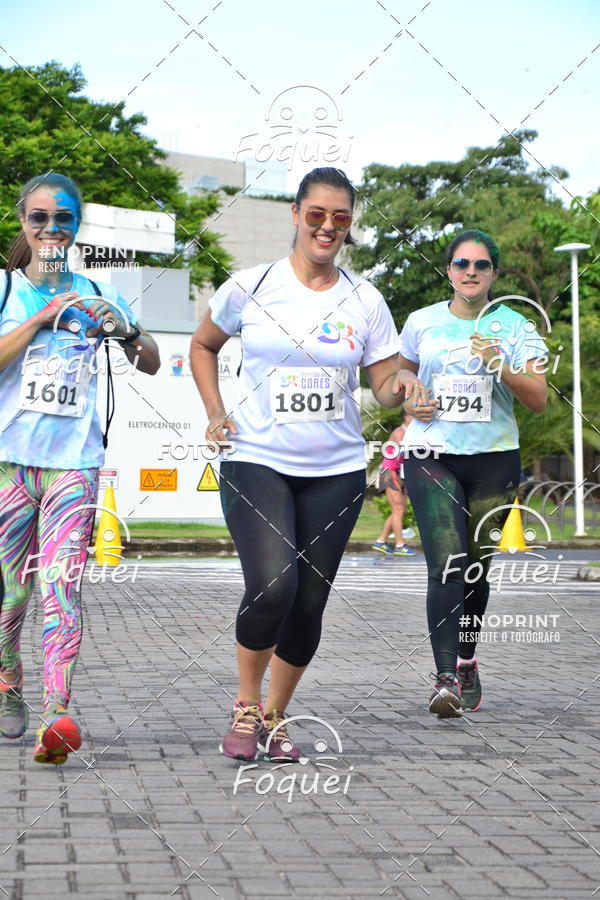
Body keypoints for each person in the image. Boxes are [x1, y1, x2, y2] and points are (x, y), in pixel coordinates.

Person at [190, 167, 422, 762]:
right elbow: (203, 345)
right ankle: (245, 704)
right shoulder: (250, 285)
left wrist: (409, 388)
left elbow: (386, 381)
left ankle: (275, 716)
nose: (327, 226)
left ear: (349, 224)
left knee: (309, 602)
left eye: (340, 217)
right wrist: (216, 410)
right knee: (274, 586)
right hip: (257, 457)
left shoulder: (365, 300)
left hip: (337, 469)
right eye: (316, 214)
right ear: (296, 214)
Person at [0, 174, 160, 763]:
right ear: (24, 222)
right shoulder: (5, 290)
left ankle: (56, 712)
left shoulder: (97, 289)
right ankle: (8, 677)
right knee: (11, 594)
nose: (50, 229)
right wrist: (41, 321)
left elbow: (150, 360)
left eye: (62, 219)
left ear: (75, 226)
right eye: (40, 217)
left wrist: (127, 330)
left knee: (61, 586)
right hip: (9, 464)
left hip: (76, 465)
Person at [398, 230, 547, 718]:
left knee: (475, 571)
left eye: (481, 265)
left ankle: (466, 661)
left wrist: (500, 363)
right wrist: (411, 396)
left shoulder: (516, 326)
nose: (471, 272)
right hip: (432, 453)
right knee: (445, 561)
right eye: (462, 263)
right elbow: (400, 375)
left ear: (494, 274)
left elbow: (538, 399)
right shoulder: (422, 322)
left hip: (494, 458)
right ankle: (443, 679)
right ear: (448, 270)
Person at [372, 416, 417, 556]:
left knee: (399, 510)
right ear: (407, 417)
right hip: (390, 473)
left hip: (399, 473)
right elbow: (393, 456)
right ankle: (399, 545)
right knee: (398, 509)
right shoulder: (400, 433)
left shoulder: (411, 432)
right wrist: (393, 474)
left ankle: (381, 541)